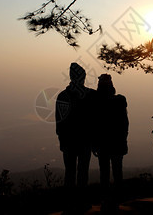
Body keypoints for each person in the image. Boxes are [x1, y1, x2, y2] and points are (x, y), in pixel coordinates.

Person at [56, 62, 95, 213]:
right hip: (83, 141)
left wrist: (61, 140)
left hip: (70, 142)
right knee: (81, 172)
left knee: (70, 173)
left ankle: (70, 204)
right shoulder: (89, 95)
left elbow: (60, 122)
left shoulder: (63, 96)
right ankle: (80, 203)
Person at [93, 74, 129, 213]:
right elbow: (125, 122)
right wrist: (124, 138)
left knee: (105, 172)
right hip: (117, 142)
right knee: (117, 171)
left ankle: (106, 199)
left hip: (103, 143)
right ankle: (117, 199)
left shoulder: (97, 102)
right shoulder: (120, 100)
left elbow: (94, 125)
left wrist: (94, 143)